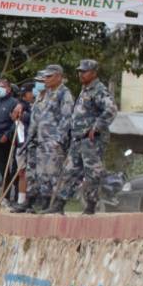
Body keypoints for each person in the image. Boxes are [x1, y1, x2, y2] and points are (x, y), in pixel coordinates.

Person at [57, 59, 117, 215]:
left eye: (84, 71)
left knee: (92, 174)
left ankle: (90, 206)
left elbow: (111, 109)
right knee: (69, 171)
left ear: (94, 73)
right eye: (79, 71)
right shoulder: (85, 90)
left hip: (92, 141)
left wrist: (97, 127)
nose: (80, 74)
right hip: (77, 139)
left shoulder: (98, 89)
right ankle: (59, 204)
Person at [27, 66, 72, 214]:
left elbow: (67, 118)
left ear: (59, 76)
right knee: (42, 175)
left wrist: (59, 140)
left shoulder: (64, 93)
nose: (45, 79)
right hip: (42, 141)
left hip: (53, 142)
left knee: (54, 174)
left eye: (49, 76)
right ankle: (46, 204)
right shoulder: (47, 94)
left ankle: (56, 206)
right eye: (45, 76)